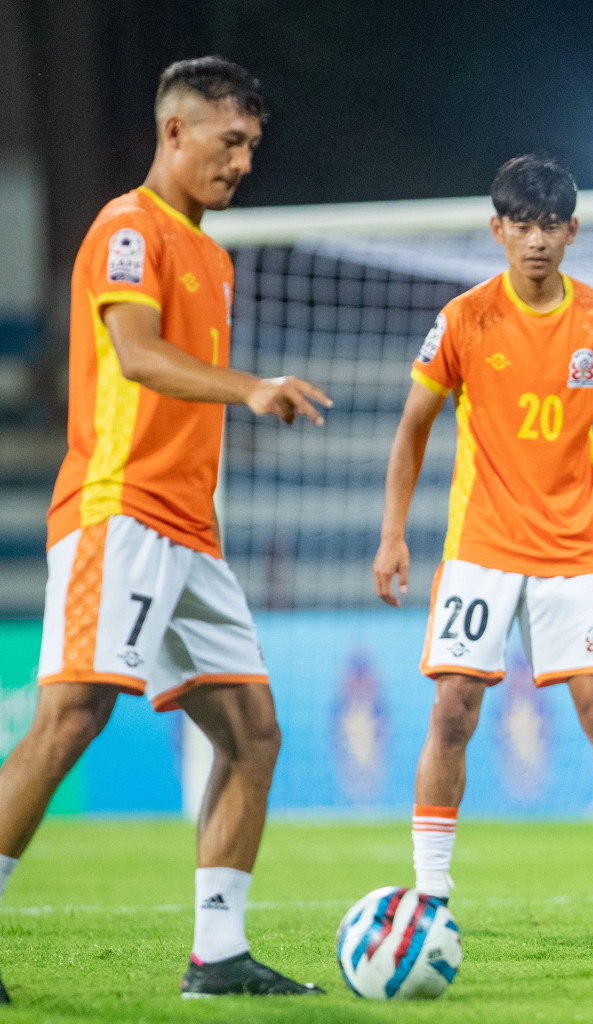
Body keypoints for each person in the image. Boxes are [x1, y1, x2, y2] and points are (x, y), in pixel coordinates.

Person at [0, 57, 332, 1001]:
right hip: (120, 509)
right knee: (72, 716)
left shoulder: (213, 255)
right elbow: (137, 356)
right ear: (175, 133)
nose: (242, 165)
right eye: (230, 144)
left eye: (253, 149)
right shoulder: (127, 228)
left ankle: (218, 957)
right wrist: (249, 387)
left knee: (252, 734)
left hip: (191, 529)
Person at [373, 154, 593, 927]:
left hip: (572, 549)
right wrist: (393, 535)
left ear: (572, 230)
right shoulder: (466, 317)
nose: (535, 240)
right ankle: (431, 892)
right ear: (497, 230)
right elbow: (412, 427)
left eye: (549, 226)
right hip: (481, 546)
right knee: (453, 710)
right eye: (521, 225)